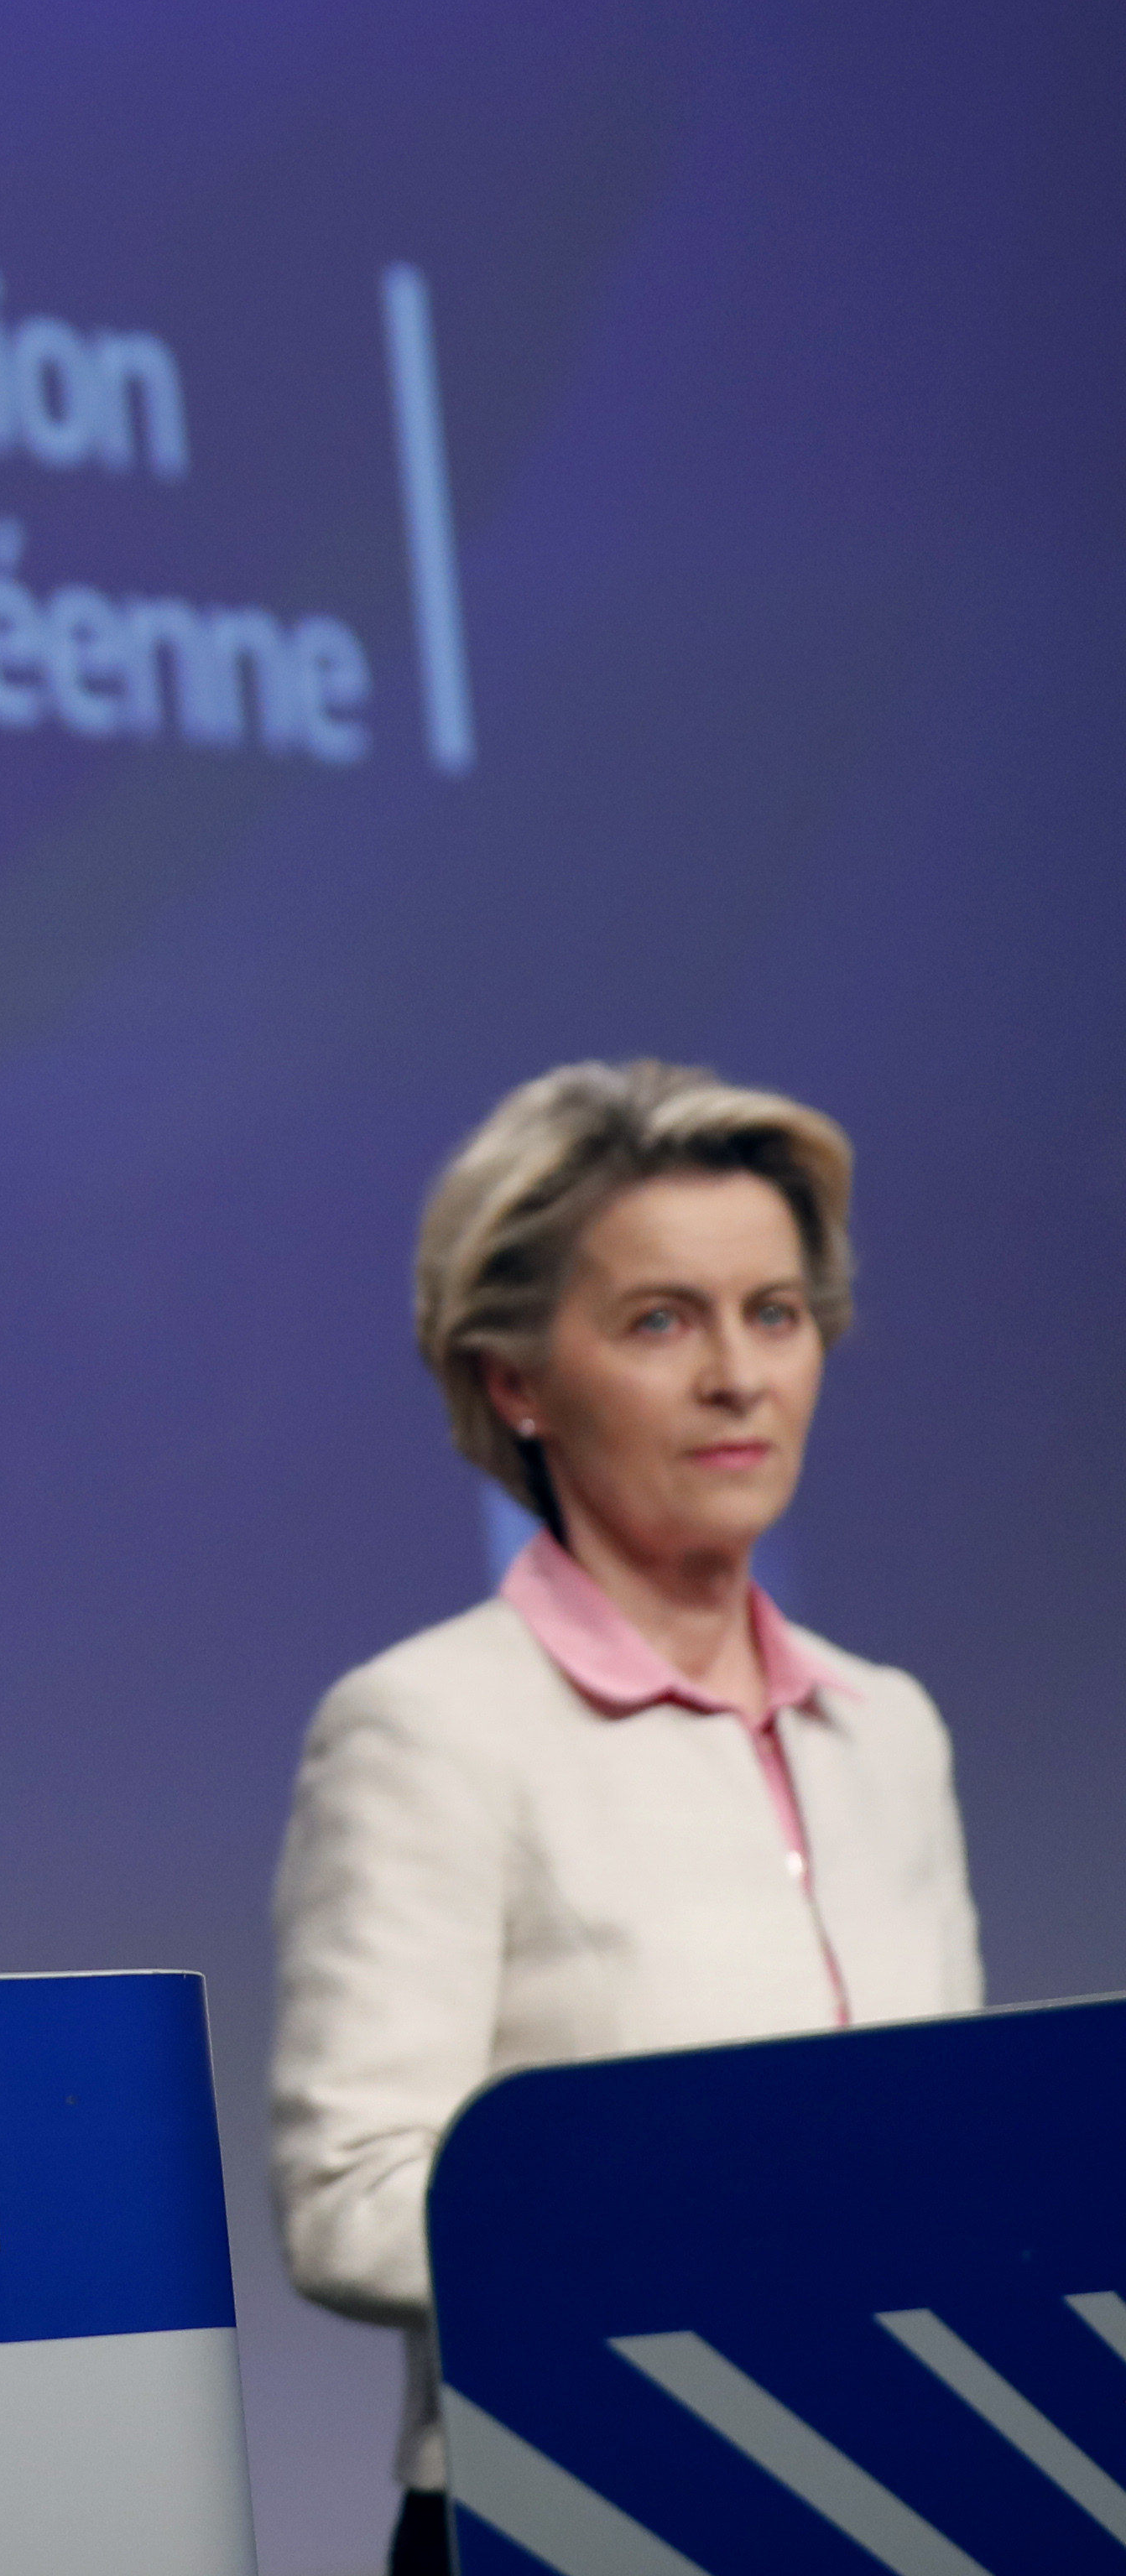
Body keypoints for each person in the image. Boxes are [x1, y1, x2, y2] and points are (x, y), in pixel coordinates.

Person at [271, 1060, 977, 2575]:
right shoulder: (429, 1728)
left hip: (908, 2495)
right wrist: (725, 2231)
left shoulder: (890, 1731)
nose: (739, 1375)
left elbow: (953, 2159)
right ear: (516, 1379)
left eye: (775, 1314)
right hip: (577, 2510)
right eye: (662, 1320)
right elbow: (352, 2204)